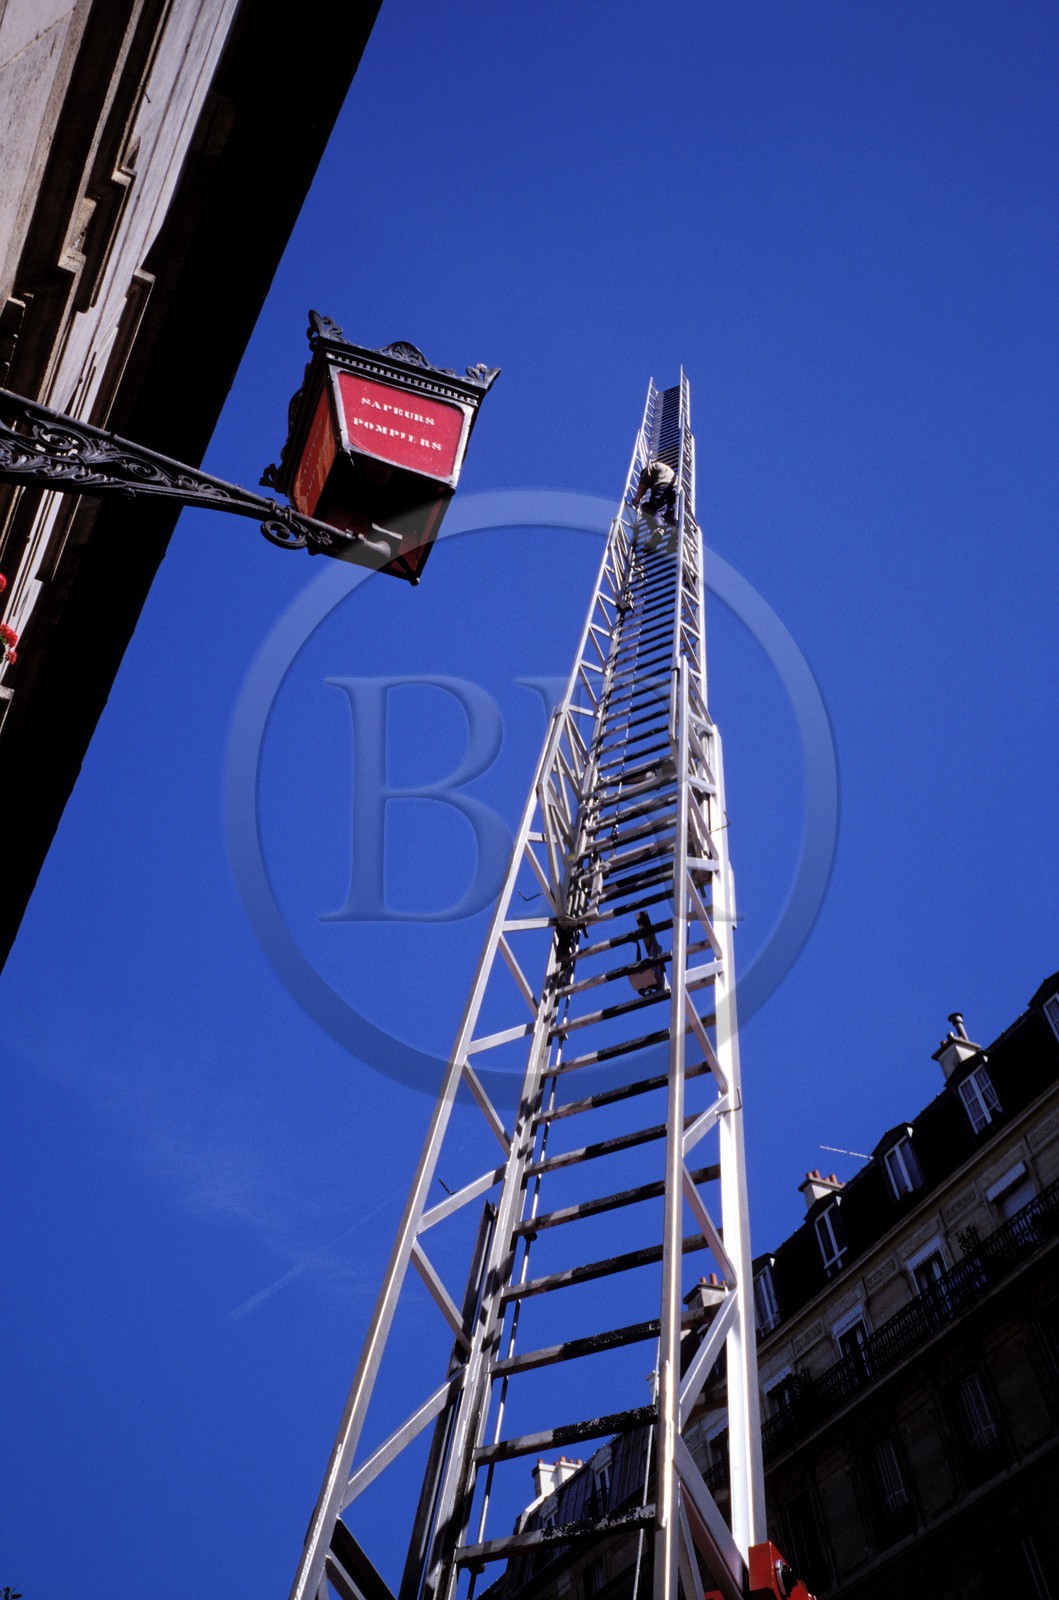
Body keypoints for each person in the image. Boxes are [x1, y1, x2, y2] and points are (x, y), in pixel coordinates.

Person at [630, 458, 677, 549]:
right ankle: (674, 534)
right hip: (675, 490)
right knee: (669, 512)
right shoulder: (667, 469)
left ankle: (658, 530)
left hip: (662, 486)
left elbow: (643, 486)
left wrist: (637, 499)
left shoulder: (650, 468)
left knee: (650, 509)